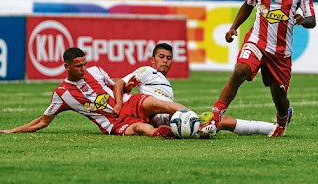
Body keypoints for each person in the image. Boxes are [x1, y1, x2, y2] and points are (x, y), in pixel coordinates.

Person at [200, 0, 316, 137]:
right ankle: (215, 114)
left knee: (279, 96)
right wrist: (233, 27)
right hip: (257, 41)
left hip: (280, 51)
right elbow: (248, 5)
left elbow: (312, 20)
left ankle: (282, 120)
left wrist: (303, 20)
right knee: (240, 71)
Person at [0, 47, 190, 138]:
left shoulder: (96, 71)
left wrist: (120, 101)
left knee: (157, 103)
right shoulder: (62, 94)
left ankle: (191, 119)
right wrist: (12, 131)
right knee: (140, 129)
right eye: (79, 66)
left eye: (85, 64)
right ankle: (169, 134)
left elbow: (115, 86)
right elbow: (42, 122)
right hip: (113, 123)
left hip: (129, 103)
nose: (84, 69)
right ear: (67, 67)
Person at [115, 43, 282, 136]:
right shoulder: (147, 71)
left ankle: (271, 128)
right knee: (207, 120)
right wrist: (118, 105)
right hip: (157, 115)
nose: (165, 61)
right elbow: (120, 84)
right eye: (161, 57)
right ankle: (198, 124)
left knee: (221, 121)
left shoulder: (164, 81)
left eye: (169, 58)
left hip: (169, 117)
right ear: (152, 60)